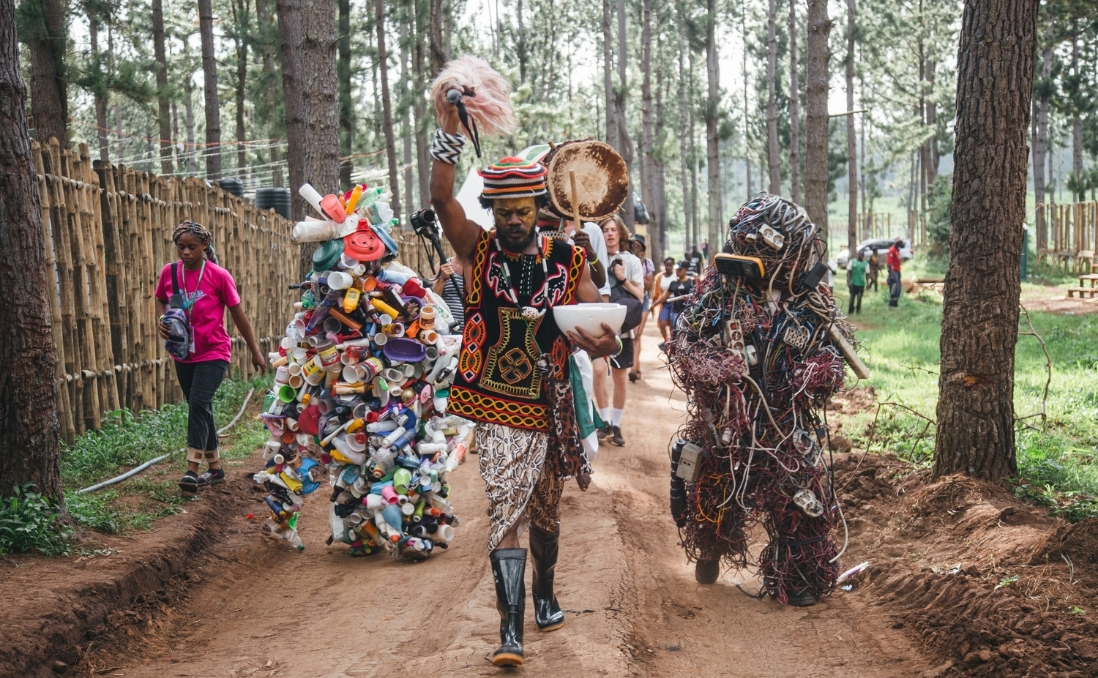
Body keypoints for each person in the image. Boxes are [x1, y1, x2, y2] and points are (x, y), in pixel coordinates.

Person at [429, 108, 620, 667]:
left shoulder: (569, 258)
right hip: (496, 403)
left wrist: (604, 341)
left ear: (539, 208)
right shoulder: (477, 249)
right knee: (505, 509)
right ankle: (509, 631)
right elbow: (441, 198)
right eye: (504, 211)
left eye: (523, 211)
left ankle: (545, 593)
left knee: (546, 512)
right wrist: (449, 129)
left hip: (551, 401)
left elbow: (597, 329)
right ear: (492, 210)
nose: (513, 220)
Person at [155, 221, 265, 493]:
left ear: (204, 245)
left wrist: (255, 351)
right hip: (183, 352)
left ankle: (192, 469)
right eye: (181, 247)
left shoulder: (219, 276)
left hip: (214, 351)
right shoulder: (169, 273)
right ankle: (215, 469)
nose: (185, 252)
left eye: (192, 247)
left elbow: (239, 316)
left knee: (198, 401)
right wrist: (163, 319)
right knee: (200, 406)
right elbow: (161, 299)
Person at [595, 216, 644, 447]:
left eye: (613, 229)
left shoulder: (631, 261)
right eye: (605, 230)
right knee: (598, 372)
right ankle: (604, 422)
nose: (610, 234)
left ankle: (616, 424)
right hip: (596, 327)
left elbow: (641, 296)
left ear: (621, 233)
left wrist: (623, 278)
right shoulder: (593, 258)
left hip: (622, 330)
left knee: (620, 378)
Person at [628, 235, 655, 382]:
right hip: (628, 300)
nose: (636, 247)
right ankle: (636, 367)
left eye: (638, 245)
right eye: (633, 245)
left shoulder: (647, 263)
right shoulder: (625, 259)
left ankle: (634, 368)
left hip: (642, 300)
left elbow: (650, 285)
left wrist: (636, 278)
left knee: (636, 335)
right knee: (630, 335)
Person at [655, 261, 694, 335]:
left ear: (686, 270)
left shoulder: (691, 282)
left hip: (688, 311)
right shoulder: (674, 283)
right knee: (675, 327)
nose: (677, 272)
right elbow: (665, 296)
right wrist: (654, 305)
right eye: (676, 270)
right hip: (676, 311)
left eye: (680, 270)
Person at [432, 256, 466, 327]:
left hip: (474, 330)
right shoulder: (442, 267)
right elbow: (432, 300)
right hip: (446, 330)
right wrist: (443, 278)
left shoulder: (482, 269)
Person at [653, 257, 676, 344]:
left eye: (670, 265)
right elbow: (656, 292)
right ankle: (666, 340)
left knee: (672, 324)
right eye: (667, 265)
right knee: (662, 323)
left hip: (675, 302)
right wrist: (654, 302)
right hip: (664, 302)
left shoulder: (676, 275)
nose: (668, 267)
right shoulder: (660, 277)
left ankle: (672, 342)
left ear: (673, 266)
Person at [847, 249, 867, 315]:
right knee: (852, 298)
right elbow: (849, 272)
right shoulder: (852, 261)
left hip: (861, 283)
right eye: (860, 254)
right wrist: (849, 281)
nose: (861, 256)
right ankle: (850, 311)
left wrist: (867, 282)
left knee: (859, 298)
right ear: (857, 255)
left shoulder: (865, 263)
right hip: (853, 283)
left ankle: (858, 310)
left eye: (862, 255)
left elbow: (867, 273)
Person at [887, 237, 903, 307]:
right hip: (893, 272)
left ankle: (895, 303)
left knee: (898, 288)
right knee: (894, 287)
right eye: (899, 243)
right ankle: (892, 303)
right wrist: (891, 274)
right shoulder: (892, 250)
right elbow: (889, 263)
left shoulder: (897, 250)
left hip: (897, 271)